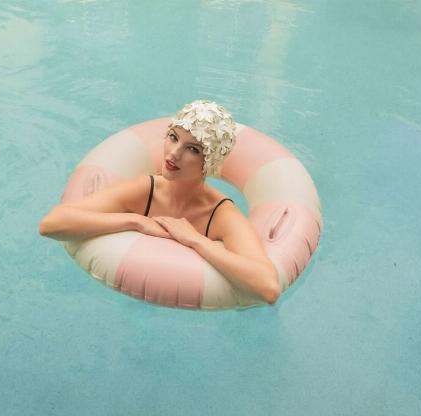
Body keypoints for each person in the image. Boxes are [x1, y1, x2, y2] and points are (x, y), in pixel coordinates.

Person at [39, 100, 280, 304]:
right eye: (173, 137)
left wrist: (195, 240)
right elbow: (51, 224)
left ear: (209, 161)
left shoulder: (220, 214)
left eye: (193, 149)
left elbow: (268, 288)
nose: (174, 153)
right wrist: (135, 221)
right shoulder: (145, 190)